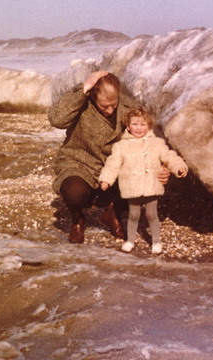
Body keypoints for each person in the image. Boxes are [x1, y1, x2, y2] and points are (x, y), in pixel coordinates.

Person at [48, 71, 169, 243]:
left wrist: (162, 166)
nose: (110, 110)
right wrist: (84, 87)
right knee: (74, 192)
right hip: (79, 161)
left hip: (114, 165)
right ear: (92, 96)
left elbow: (148, 137)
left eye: (114, 104)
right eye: (105, 106)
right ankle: (77, 219)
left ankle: (113, 214)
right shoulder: (81, 104)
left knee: (144, 179)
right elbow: (56, 119)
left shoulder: (128, 108)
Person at [99, 106, 188, 254]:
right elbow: (112, 164)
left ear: (149, 126)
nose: (138, 128)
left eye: (142, 124)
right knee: (133, 215)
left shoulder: (157, 143)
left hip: (151, 185)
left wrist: (179, 167)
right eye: (134, 124)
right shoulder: (121, 146)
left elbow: (169, 156)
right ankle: (130, 241)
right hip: (132, 187)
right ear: (128, 126)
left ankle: (156, 241)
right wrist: (106, 179)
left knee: (151, 214)